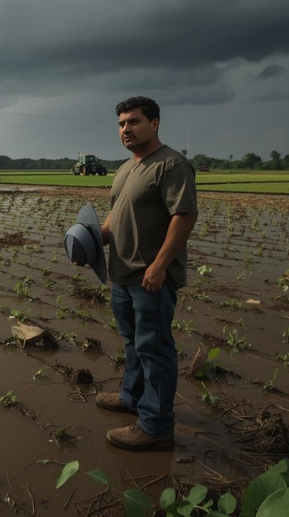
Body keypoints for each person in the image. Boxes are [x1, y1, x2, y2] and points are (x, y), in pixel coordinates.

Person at [96, 96, 198, 450]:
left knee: (154, 349)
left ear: (154, 124)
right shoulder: (126, 168)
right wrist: (96, 238)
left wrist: (159, 266)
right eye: (122, 123)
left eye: (134, 122)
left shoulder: (171, 165)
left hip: (149, 277)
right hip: (122, 274)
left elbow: (184, 217)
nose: (126, 129)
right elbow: (114, 215)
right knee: (133, 343)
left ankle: (155, 425)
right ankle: (131, 397)